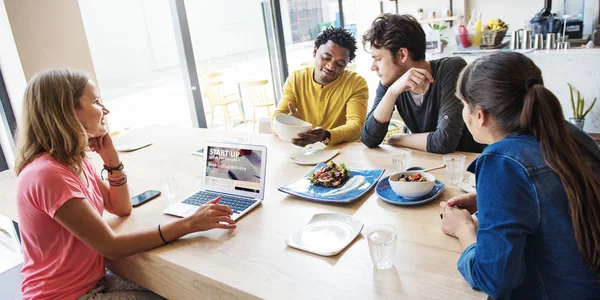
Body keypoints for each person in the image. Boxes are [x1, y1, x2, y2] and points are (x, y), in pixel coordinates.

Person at [15, 69, 236, 300]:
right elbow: (110, 246)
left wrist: (111, 158)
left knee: (181, 290)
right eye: (96, 101)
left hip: (91, 284)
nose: (105, 109)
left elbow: (120, 207)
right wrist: (189, 224)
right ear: (68, 112)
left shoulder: (72, 162)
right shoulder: (48, 174)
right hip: (67, 297)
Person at [439, 52, 600, 299]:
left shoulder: (501, 162)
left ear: (479, 114)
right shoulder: (569, 133)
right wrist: (490, 202)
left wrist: (463, 229)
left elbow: (495, 280)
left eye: (463, 105)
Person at [361, 14, 485, 153]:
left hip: (466, 166)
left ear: (402, 54)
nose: (373, 67)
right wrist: (392, 92)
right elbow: (368, 139)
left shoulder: (451, 68)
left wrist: (397, 138)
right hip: (426, 167)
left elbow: (444, 141)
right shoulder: (391, 83)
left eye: (378, 58)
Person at [272, 27, 368, 147]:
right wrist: (291, 126)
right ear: (315, 51)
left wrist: (327, 135)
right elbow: (276, 119)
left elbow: (356, 126)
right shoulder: (296, 79)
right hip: (305, 150)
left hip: (343, 151)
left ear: (347, 64)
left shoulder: (356, 83)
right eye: (326, 58)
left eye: (340, 64)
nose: (331, 66)